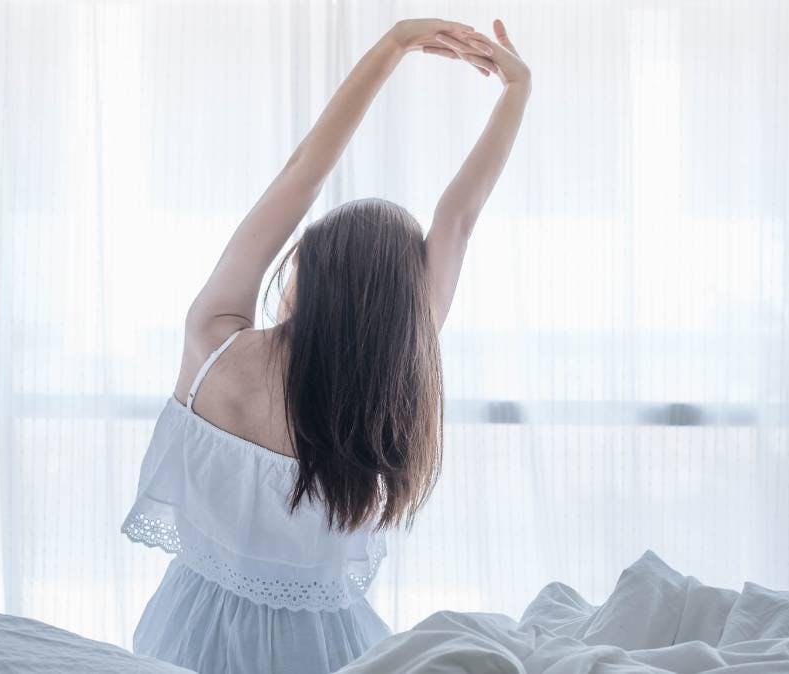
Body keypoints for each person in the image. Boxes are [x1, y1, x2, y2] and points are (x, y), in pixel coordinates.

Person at [121, 17, 531, 674]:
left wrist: (393, 44)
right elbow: (459, 218)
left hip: (187, 634)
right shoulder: (384, 390)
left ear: (303, 265)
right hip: (331, 650)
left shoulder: (213, 344)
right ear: (403, 311)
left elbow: (302, 175)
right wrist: (517, 87)